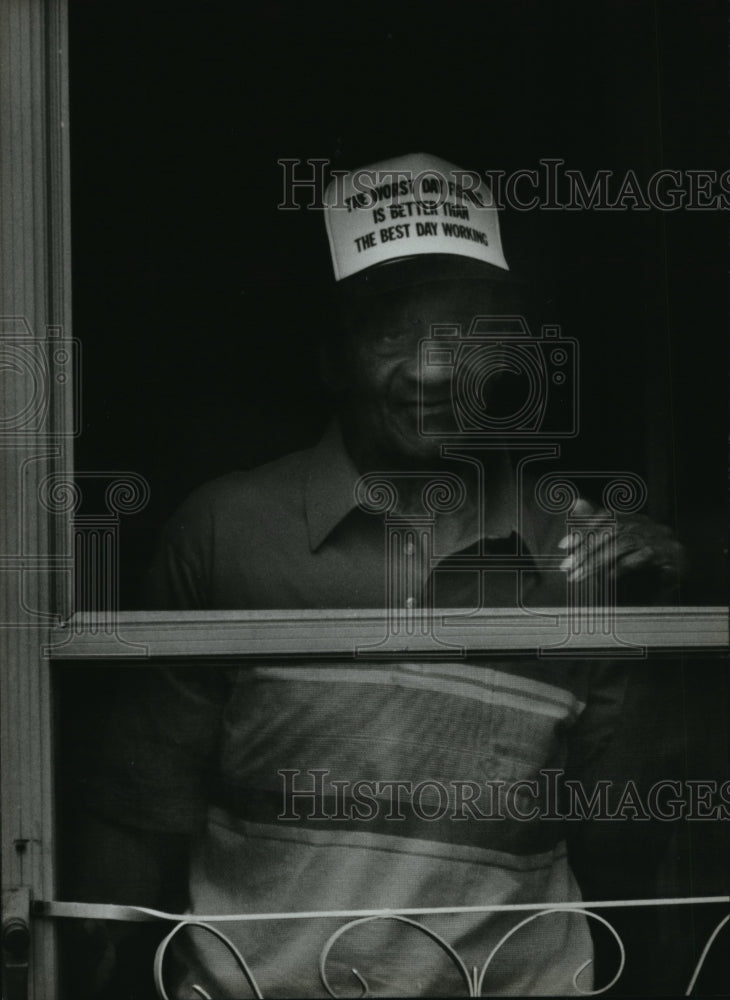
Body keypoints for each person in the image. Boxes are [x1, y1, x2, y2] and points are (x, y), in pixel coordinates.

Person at [71, 154, 684, 998]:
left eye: (466, 336)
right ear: (331, 358)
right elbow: (133, 822)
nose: (432, 372)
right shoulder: (225, 534)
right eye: (391, 333)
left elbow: (627, 847)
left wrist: (656, 609)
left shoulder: (580, 547)